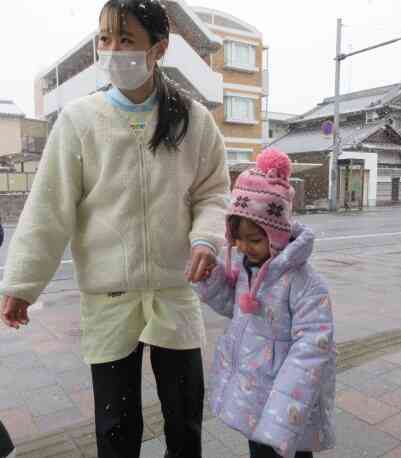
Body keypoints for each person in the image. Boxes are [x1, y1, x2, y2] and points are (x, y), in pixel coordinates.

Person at [0, 1, 230, 457]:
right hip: (109, 299)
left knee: (185, 419)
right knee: (116, 425)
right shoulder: (79, 120)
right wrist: (23, 283)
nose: (111, 50)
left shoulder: (192, 118)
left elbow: (213, 191)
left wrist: (206, 237)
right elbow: (49, 207)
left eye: (126, 40)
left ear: (158, 49)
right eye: (105, 39)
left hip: (174, 292)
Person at [191, 148, 336, 458]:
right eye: (237, 237)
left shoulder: (305, 284)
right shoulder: (249, 266)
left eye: (254, 239)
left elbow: (313, 347)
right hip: (254, 395)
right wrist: (212, 278)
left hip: (285, 405)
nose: (243, 247)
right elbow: (238, 307)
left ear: (278, 234)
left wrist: (284, 408)